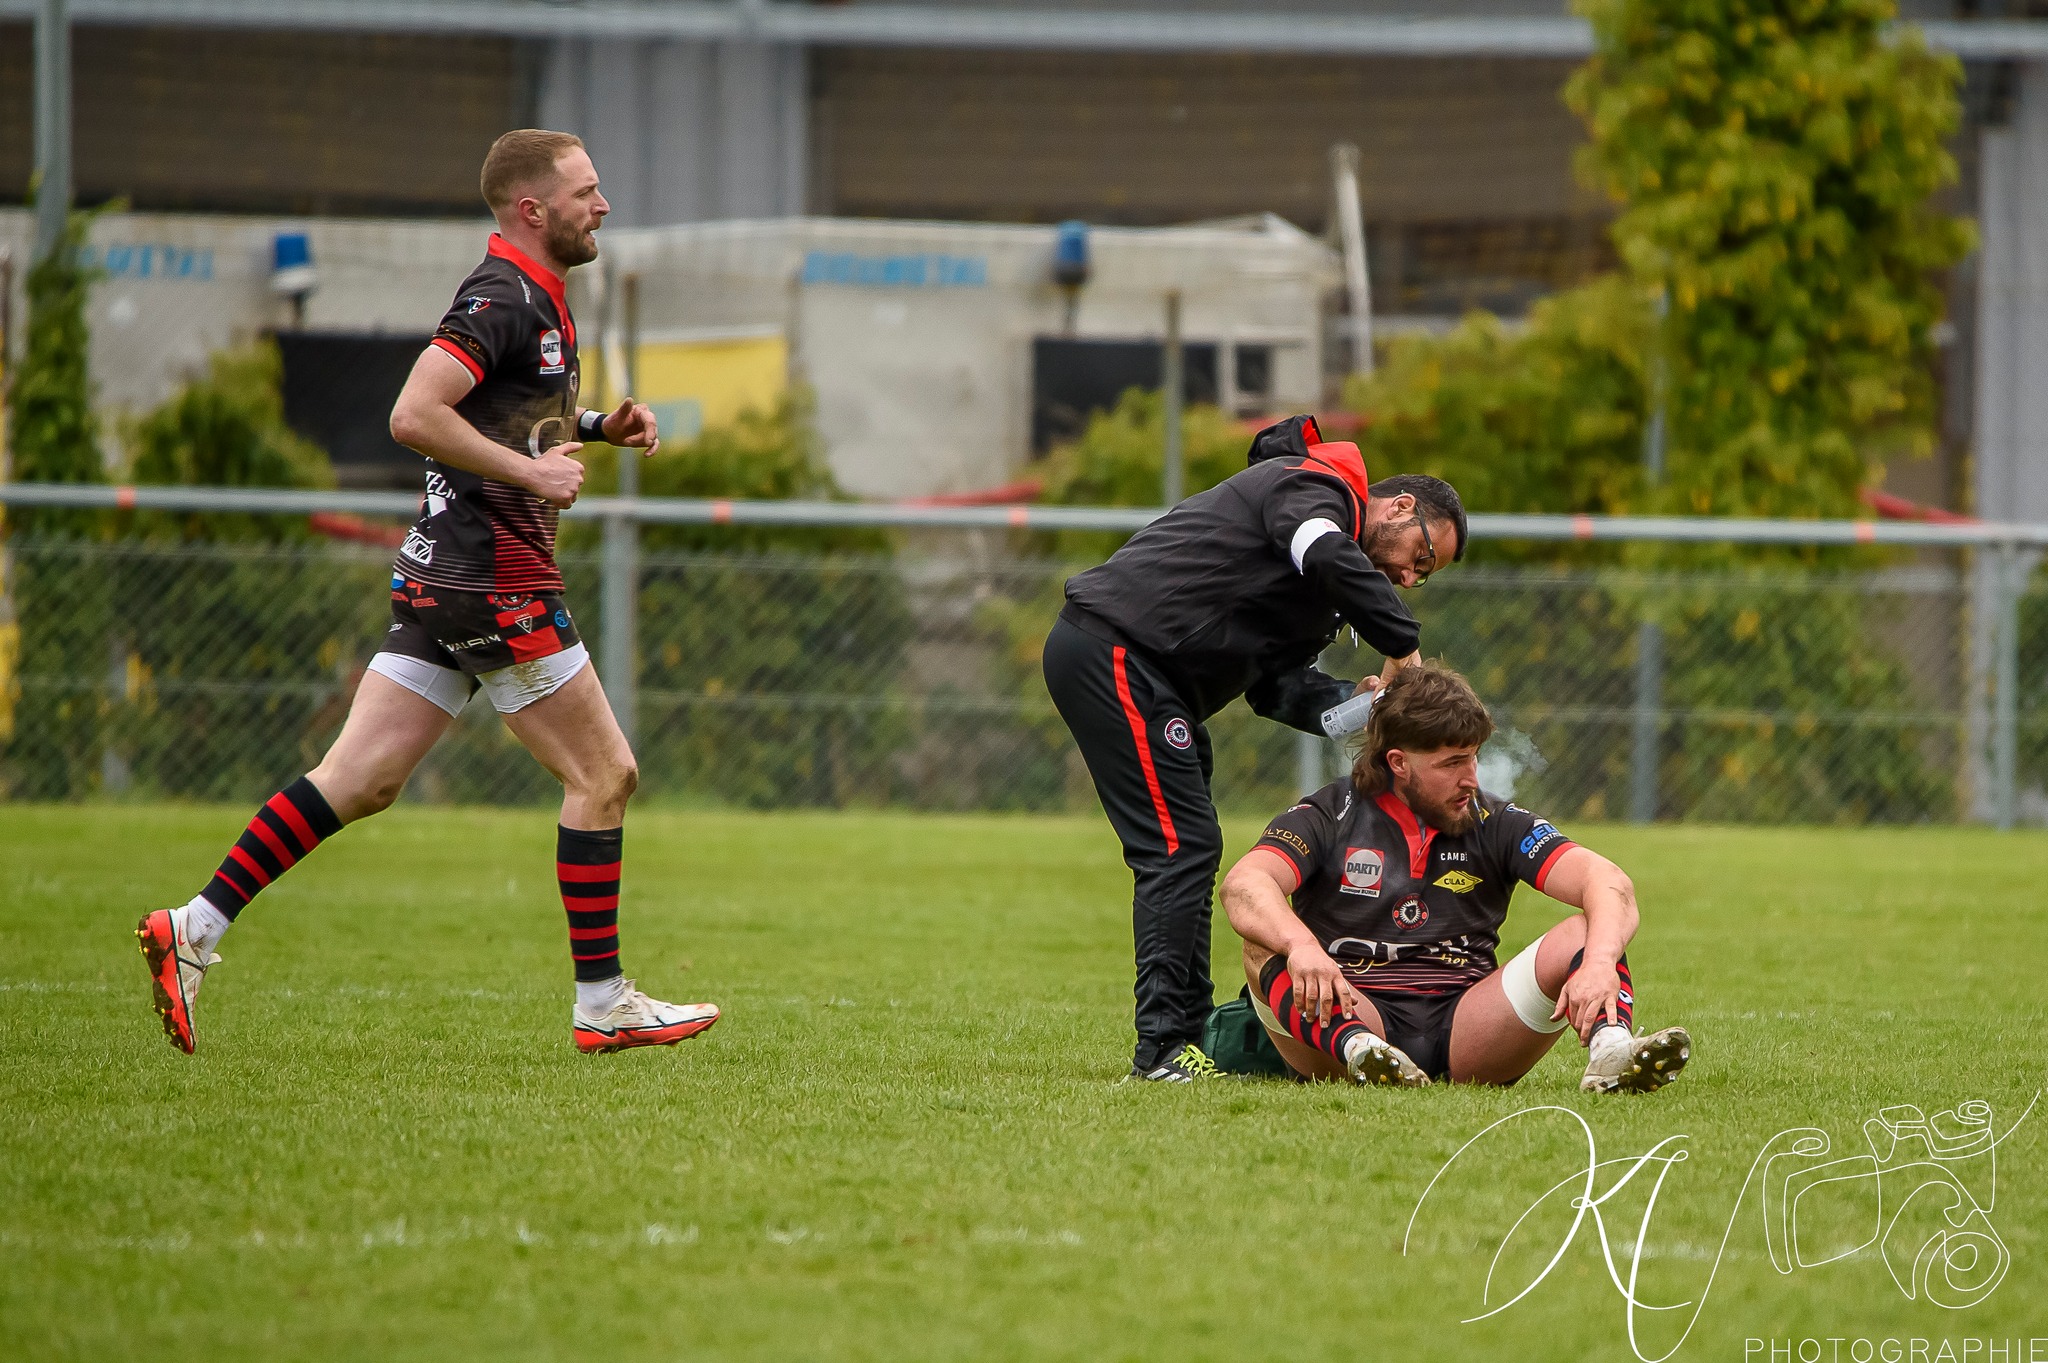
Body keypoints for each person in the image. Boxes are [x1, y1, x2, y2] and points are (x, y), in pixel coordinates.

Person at [135, 129, 719, 1057]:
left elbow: (508, 413)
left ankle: (193, 927)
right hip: (494, 580)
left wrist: (601, 425)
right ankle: (602, 1000)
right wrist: (532, 482)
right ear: (533, 208)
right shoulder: (501, 297)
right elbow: (415, 414)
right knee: (604, 775)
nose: (602, 205)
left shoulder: (537, 297)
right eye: (587, 190)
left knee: (360, 779)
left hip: (444, 574)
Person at [1042, 415, 1465, 1081]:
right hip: (1114, 650)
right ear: (1400, 506)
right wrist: (1402, 643)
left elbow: (1273, 688)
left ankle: (1187, 1040)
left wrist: (1368, 708)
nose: (1410, 577)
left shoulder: (1318, 598)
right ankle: (1162, 1050)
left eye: (1422, 574)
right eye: (1419, 556)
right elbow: (1324, 550)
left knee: (1188, 845)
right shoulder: (1315, 485)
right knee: (1179, 847)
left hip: (1152, 677)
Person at [1219, 662, 1691, 1090]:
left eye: (1473, 757)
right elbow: (1244, 885)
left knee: (1589, 932)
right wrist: (1301, 946)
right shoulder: (1328, 813)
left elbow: (1609, 883)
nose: (1471, 778)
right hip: (1352, 1013)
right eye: (1451, 763)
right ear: (1398, 762)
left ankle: (1611, 1053)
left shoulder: (1496, 820)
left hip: (1469, 1028)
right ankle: (1363, 1053)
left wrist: (1599, 963)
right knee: (1264, 943)